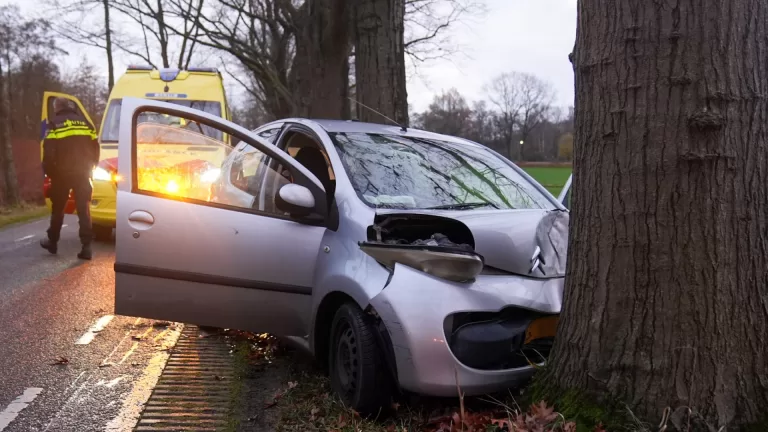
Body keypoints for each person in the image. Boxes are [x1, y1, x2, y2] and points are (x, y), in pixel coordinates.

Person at [39, 97, 100, 260]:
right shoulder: (85, 123)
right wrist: (92, 166)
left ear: (57, 107)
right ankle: (86, 246)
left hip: (61, 175)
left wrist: (50, 173)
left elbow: (49, 152)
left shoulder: (54, 125)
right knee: (83, 209)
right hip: (83, 173)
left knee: (58, 208)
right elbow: (95, 147)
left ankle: (52, 241)